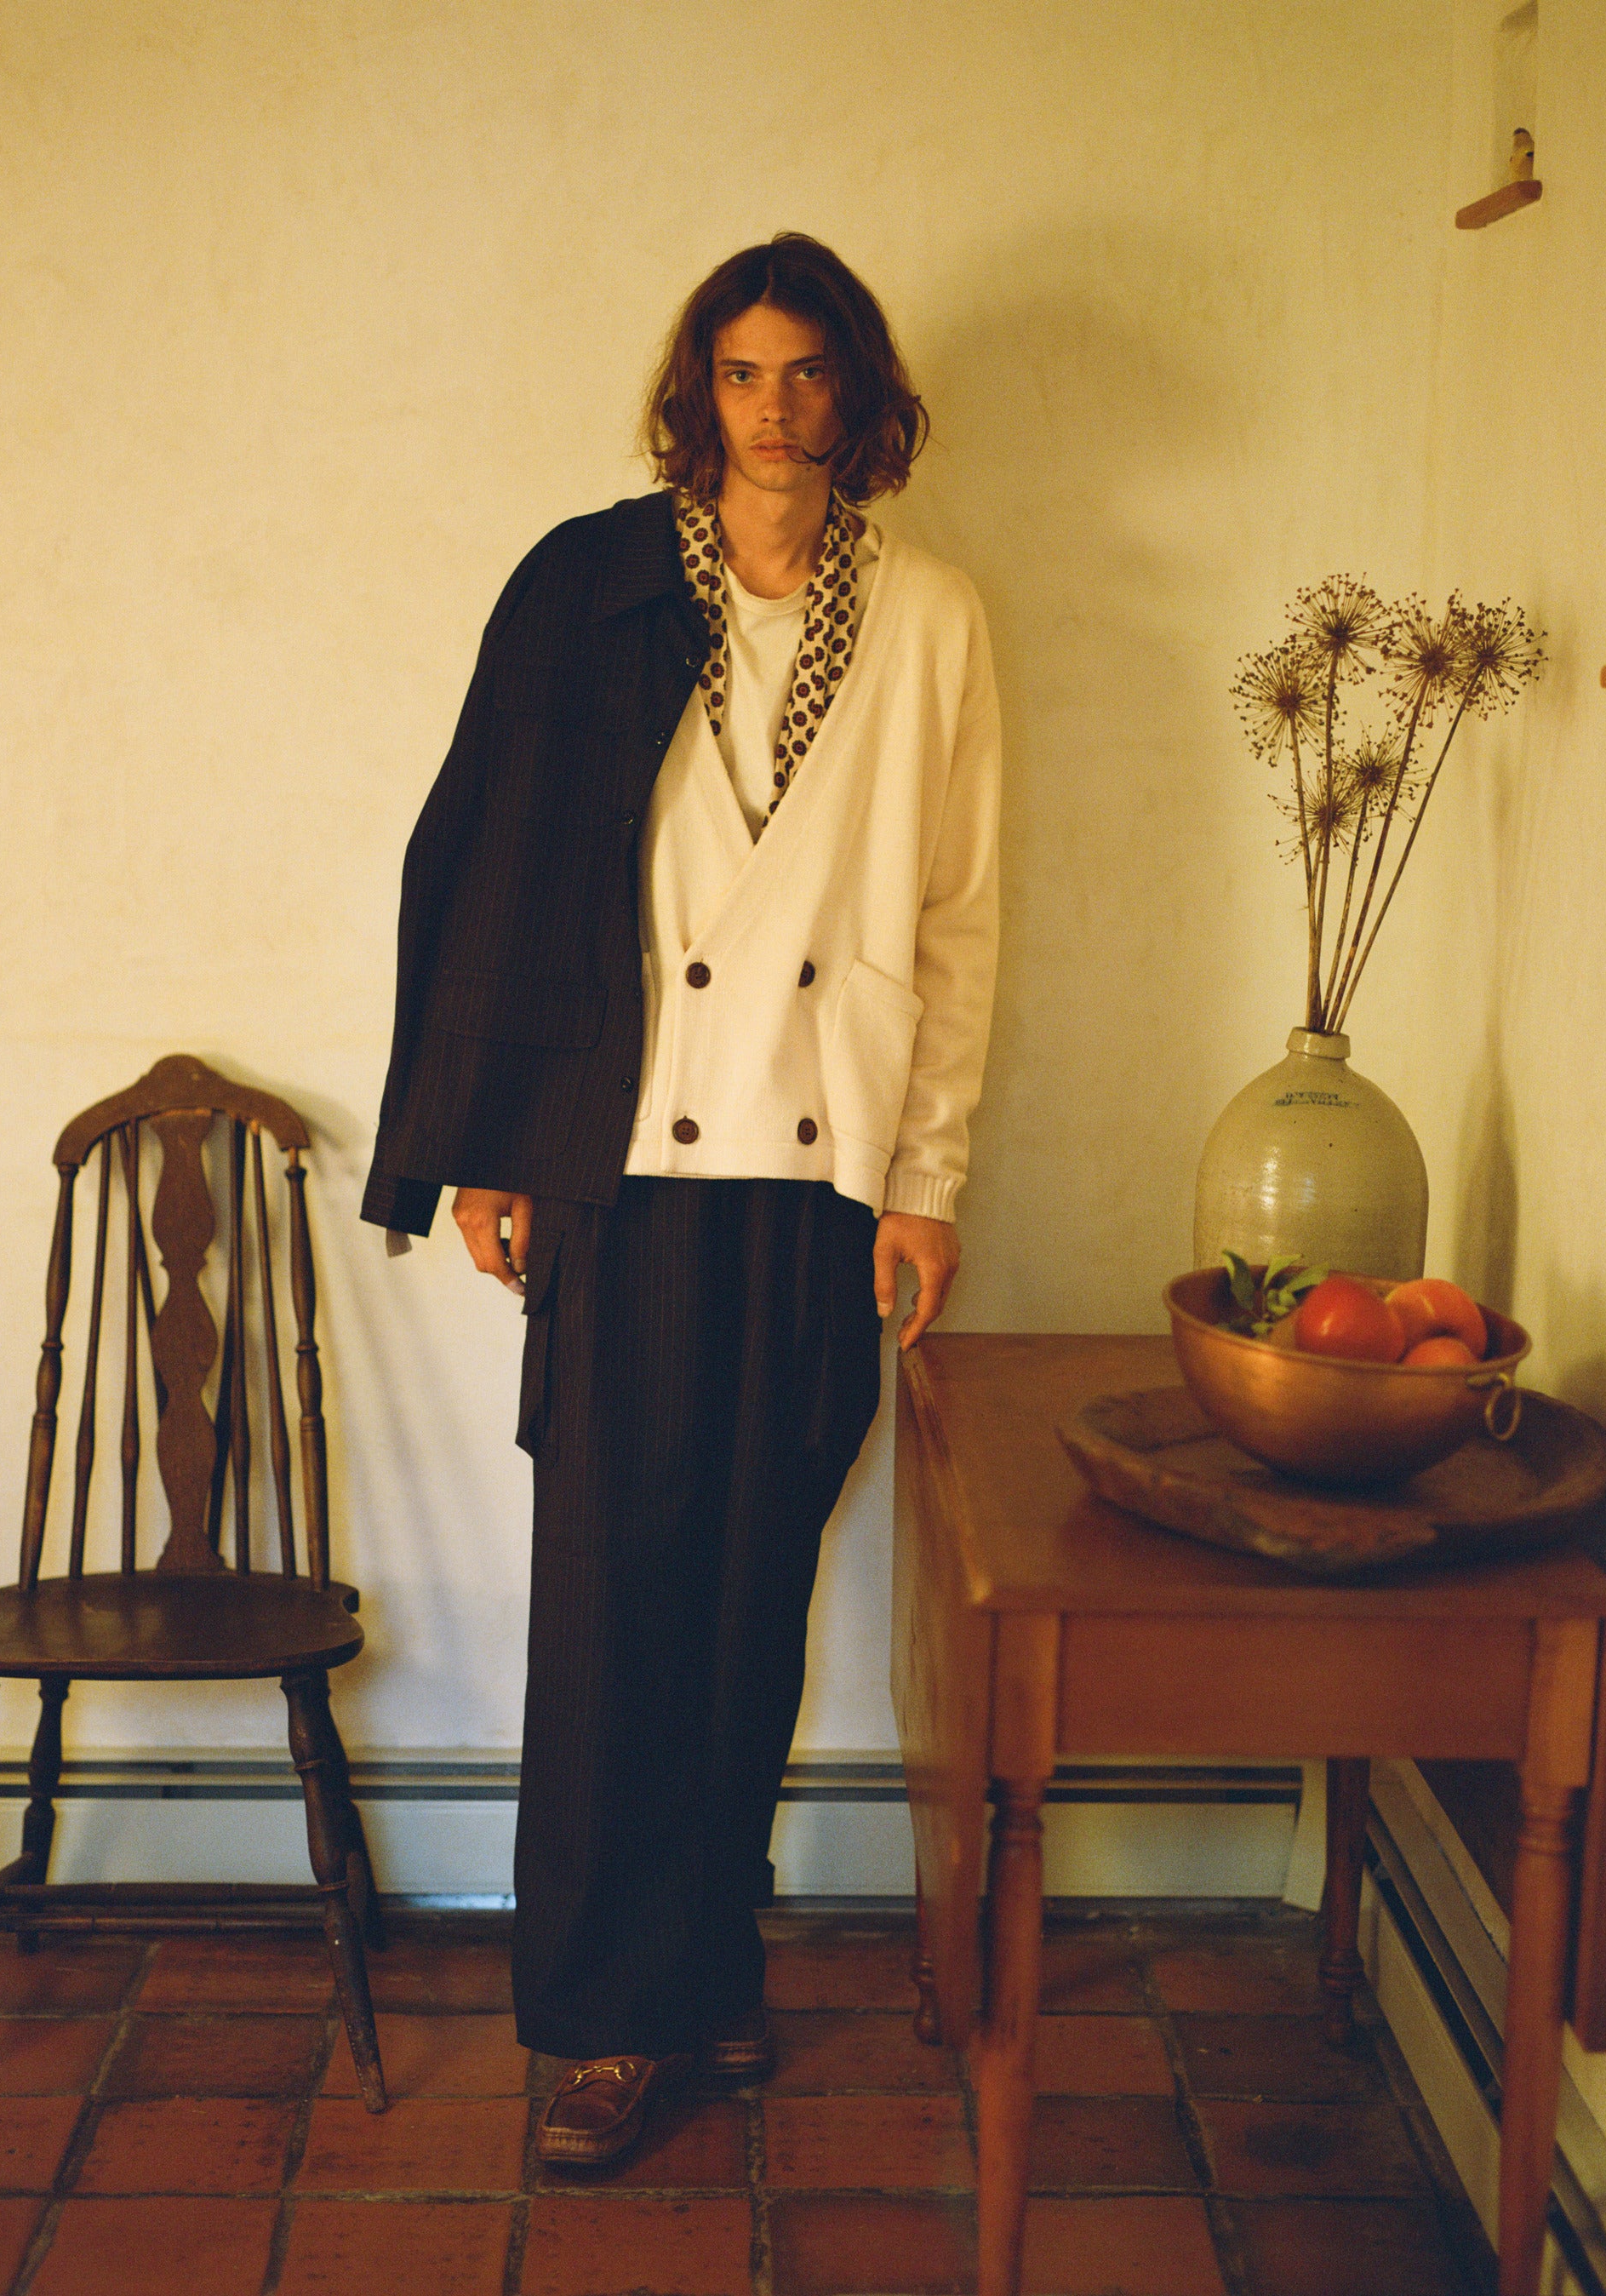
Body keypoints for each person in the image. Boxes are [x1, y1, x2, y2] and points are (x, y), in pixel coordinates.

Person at [363, 232, 1000, 2165]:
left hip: (820, 1176)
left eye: (809, 372)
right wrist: (493, 1145)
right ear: (696, 393)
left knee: (749, 1605)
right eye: (742, 371)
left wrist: (926, 1177)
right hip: (624, 1164)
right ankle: (599, 2024)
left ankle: (703, 1961)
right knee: (612, 1613)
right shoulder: (599, 584)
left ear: (858, 394)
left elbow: (959, 916)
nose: (776, 408)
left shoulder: (935, 617)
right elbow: (498, 862)